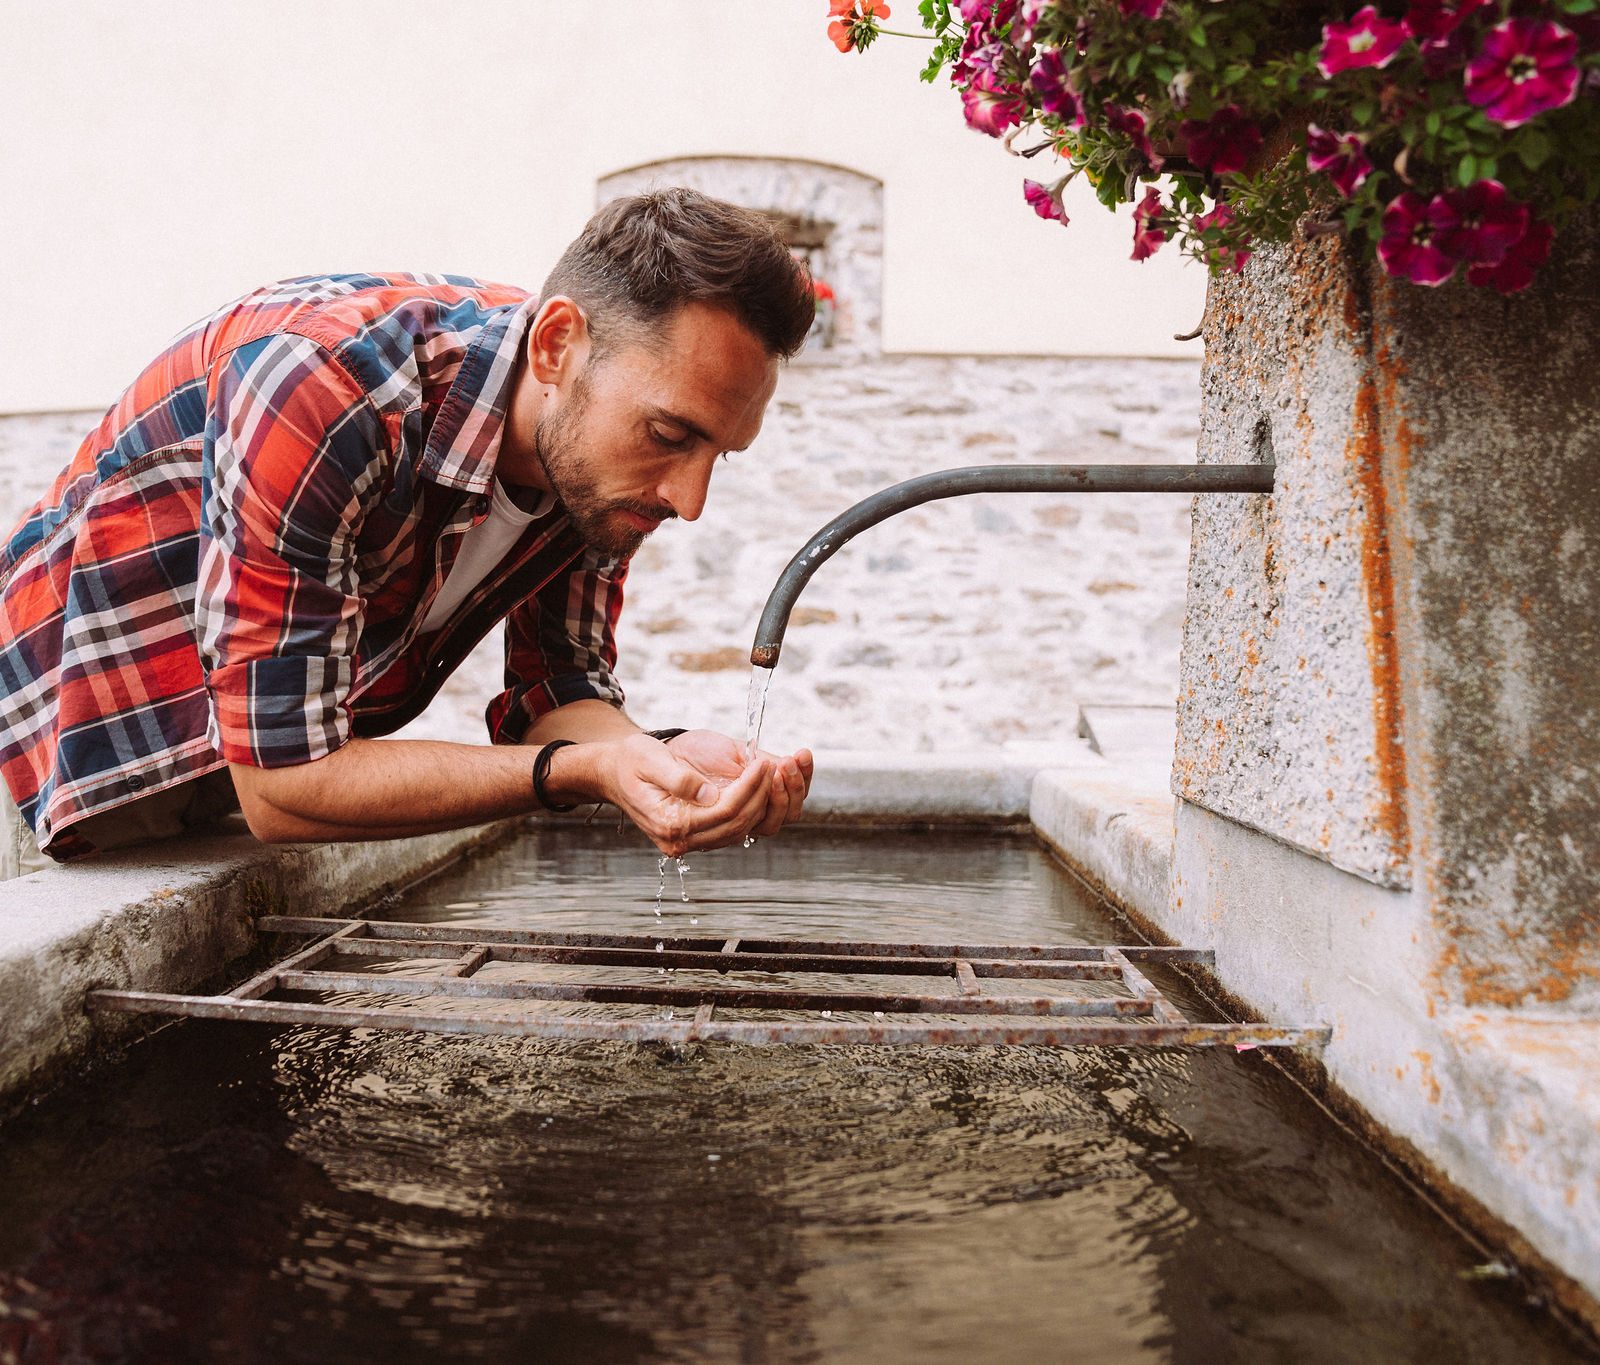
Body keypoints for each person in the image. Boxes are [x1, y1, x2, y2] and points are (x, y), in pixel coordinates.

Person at [0, 188, 816, 879]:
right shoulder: (327, 386)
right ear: (558, 345)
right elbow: (285, 782)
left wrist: (658, 758)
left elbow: (557, 692)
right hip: (54, 749)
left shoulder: (602, 465)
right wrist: (584, 771)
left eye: (721, 451)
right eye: (672, 435)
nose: (690, 497)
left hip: (233, 776)